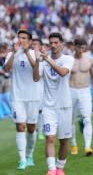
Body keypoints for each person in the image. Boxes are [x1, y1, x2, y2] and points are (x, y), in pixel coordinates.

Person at [33, 32, 74, 175]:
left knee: (63, 141)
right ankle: (51, 170)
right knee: (50, 138)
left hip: (65, 106)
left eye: (56, 42)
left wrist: (47, 59)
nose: (53, 45)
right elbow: (36, 78)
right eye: (51, 43)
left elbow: (63, 72)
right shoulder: (44, 61)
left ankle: (59, 168)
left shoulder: (68, 59)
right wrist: (38, 61)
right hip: (48, 107)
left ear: (62, 44)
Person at [4, 30, 41, 170]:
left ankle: (30, 155)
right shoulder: (11, 54)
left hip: (33, 97)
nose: (21, 40)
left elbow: (35, 70)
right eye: (19, 37)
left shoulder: (34, 54)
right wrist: (14, 53)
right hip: (17, 97)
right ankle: (22, 160)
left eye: (24, 38)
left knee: (31, 128)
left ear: (30, 41)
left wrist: (26, 52)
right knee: (20, 127)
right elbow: (6, 69)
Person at [69, 38, 93, 156]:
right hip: (71, 90)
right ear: (74, 46)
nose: (81, 50)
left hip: (85, 91)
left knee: (87, 118)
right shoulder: (69, 59)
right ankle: (73, 144)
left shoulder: (89, 59)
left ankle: (87, 147)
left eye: (83, 47)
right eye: (79, 47)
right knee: (70, 119)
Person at [31, 38, 45, 141]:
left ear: (40, 46)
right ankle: (32, 130)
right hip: (29, 89)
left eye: (36, 44)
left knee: (40, 111)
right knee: (31, 111)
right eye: (33, 44)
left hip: (40, 89)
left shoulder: (43, 58)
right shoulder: (27, 56)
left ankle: (40, 132)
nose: (34, 46)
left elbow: (39, 75)